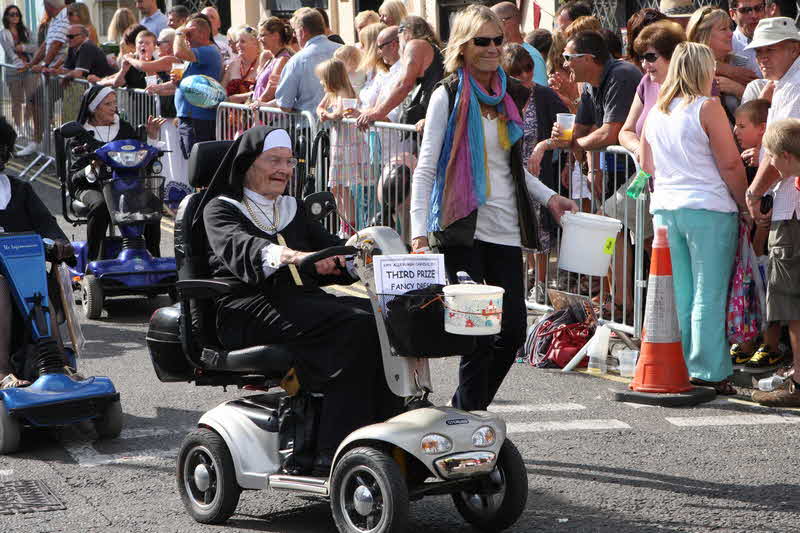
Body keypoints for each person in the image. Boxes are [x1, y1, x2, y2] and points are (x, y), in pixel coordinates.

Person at [201, 125, 401, 474]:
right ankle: (329, 449)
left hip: (297, 303)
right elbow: (243, 249)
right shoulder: (221, 208)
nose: (284, 169)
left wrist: (355, 260)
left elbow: (332, 250)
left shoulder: (292, 207)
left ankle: (385, 437)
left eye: (289, 162)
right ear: (248, 163)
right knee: (352, 327)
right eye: (274, 160)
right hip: (242, 309)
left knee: (382, 319)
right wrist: (292, 255)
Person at [410, 5, 577, 411]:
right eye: (481, 41)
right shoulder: (446, 95)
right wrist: (418, 232)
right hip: (462, 227)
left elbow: (514, 169)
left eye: (497, 40)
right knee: (479, 332)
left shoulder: (510, 95)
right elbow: (427, 167)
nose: (491, 48)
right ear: (463, 47)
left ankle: (470, 408)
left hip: (505, 227)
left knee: (513, 332)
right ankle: (470, 417)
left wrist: (549, 197)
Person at [639, 42, 748, 395]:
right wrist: (745, 203)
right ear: (703, 71)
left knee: (680, 294)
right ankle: (710, 369)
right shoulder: (708, 107)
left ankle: (681, 363)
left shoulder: (656, 111)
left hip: (666, 208)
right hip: (708, 208)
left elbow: (646, 165)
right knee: (708, 293)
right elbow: (730, 163)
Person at [550, 30, 642, 319]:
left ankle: (627, 304)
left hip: (643, 170)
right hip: (617, 169)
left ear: (588, 58)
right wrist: (583, 164)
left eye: (568, 58)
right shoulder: (589, 84)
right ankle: (620, 301)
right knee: (613, 229)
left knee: (620, 229)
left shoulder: (622, 74)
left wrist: (574, 145)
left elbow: (609, 132)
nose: (565, 64)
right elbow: (583, 128)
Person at [744, 18, 800, 406]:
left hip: (792, 207)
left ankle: (798, 383)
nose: (763, 56)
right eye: (759, 50)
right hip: (789, 204)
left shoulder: (793, 87)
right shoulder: (785, 85)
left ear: (794, 47)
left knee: (791, 300)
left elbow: (780, 150)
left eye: (772, 48)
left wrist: (754, 190)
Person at [0, 117, 73, 390]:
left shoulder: (19, 190)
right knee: (0, 283)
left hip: (25, 274)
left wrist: (59, 242)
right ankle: (2, 369)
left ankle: (53, 363)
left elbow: (48, 225)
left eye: (3, 148)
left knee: (38, 281)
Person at [502, 43, 569, 302]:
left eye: (529, 69)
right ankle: (528, 274)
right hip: (511, 174)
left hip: (538, 174)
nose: (526, 76)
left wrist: (545, 146)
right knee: (519, 227)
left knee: (540, 229)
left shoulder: (544, 96)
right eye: (519, 72)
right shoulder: (502, 98)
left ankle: (540, 283)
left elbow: (567, 129)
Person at [70, 86, 164, 261]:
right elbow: (75, 177)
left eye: (114, 103)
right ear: (94, 108)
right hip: (90, 186)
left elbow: (144, 160)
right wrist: (93, 166)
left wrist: (151, 138)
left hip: (125, 184)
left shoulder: (125, 128)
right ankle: (93, 261)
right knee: (101, 205)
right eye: (108, 104)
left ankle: (154, 259)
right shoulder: (80, 134)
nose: (114, 107)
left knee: (151, 203)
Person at [730, 98, 782, 369]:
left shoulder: (771, 157)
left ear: (762, 129)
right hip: (755, 241)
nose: (735, 131)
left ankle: (771, 345)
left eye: (741, 126)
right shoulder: (749, 157)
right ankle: (748, 342)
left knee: (771, 291)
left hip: (771, 235)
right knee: (751, 290)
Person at [357, 16, 443, 129]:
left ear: (405, 32)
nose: (399, 42)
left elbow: (404, 85)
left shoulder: (415, 45)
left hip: (433, 115)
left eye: (399, 35)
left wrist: (378, 112)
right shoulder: (429, 47)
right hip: (434, 113)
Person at [619, 22, 686, 163]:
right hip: (653, 181)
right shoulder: (646, 83)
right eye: (641, 58)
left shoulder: (696, 85)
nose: (644, 64)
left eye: (650, 57)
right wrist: (639, 149)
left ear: (672, 55)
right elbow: (626, 131)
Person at [316, 59, 367, 237]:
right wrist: (322, 112)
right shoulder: (332, 92)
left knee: (343, 187)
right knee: (336, 187)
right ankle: (345, 226)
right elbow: (320, 106)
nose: (321, 82)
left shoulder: (343, 91)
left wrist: (327, 115)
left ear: (331, 78)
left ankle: (349, 228)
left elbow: (338, 114)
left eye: (323, 79)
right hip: (339, 143)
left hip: (348, 144)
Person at [18, 0, 69, 157]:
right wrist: (31, 64)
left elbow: (56, 45)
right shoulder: (55, 20)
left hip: (61, 75)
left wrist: (45, 65)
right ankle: (41, 140)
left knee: (37, 100)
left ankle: (40, 141)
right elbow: (46, 45)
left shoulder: (65, 18)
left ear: (49, 6)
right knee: (38, 101)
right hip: (52, 73)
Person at [688, 7, 757, 124]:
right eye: (723, 29)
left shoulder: (743, 64)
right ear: (704, 36)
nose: (731, 33)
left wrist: (739, 90)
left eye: (730, 28)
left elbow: (763, 105)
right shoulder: (689, 70)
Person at [172, 15, 223, 161]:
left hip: (198, 119)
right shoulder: (198, 53)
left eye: (190, 33)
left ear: (202, 34)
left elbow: (178, 52)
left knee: (199, 164)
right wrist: (178, 83)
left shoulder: (208, 51)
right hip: (190, 117)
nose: (186, 37)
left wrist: (179, 32)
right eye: (185, 34)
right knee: (193, 163)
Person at [272, 9, 340, 113]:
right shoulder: (344, 51)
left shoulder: (297, 60)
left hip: (308, 125)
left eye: (295, 31)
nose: (294, 35)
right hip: (342, 126)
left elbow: (284, 104)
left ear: (302, 32)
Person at [0, 5, 37, 135]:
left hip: (29, 70)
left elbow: (36, 47)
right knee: (16, 101)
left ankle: (27, 124)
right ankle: (18, 127)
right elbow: (10, 53)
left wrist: (24, 48)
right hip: (13, 72)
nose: (15, 17)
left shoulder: (26, 31)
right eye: (12, 14)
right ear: (6, 17)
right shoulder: (3, 34)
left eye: (17, 14)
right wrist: (20, 62)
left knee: (31, 99)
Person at [492, 2, 547, 86]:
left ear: (504, 23)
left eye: (493, 23)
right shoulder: (501, 52)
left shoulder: (532, 56)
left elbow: (539, 95)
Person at [247, 17, 293, 107]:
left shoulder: (282, 60)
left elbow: (270, 92)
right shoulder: (272, 58)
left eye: (263, 35)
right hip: (261, 115)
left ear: (276, 36)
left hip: (269, 118)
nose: (259, 39)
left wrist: (254, 105)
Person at [222, 26, 261, 99]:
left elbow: (263, 92)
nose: (238, 45)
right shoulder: (232, 65)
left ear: (255, 44)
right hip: (230, 110)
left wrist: (236, 98)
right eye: (237, 42)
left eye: (242, 41)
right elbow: (221, 92)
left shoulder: (263, 64)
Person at [729, 0, 766, 76]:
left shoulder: (781, 41)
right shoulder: (727, 44)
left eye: (758, 8)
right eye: (745, 10)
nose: (754, 15)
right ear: (732, 14)